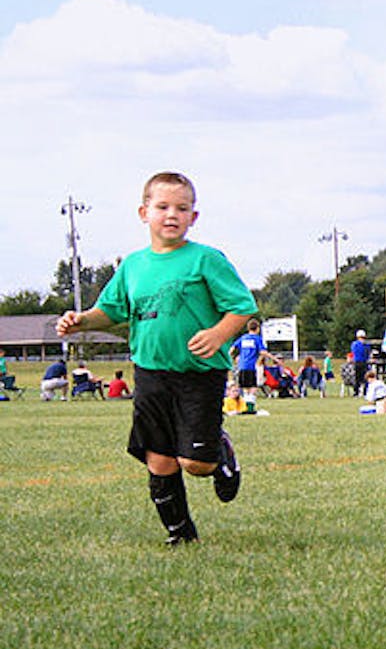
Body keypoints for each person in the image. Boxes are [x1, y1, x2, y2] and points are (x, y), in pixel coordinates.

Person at [55, 171, 256, 545]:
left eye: (182, 208)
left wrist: (218, 334)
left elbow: (242, 308)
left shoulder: (206, 260)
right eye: (162, 206)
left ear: (193, 217)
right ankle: (181, 535)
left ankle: (220, 449)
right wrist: (81, 321)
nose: (171, 214)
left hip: (199, 373)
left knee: (196, 464)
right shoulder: (133, 266)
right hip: (150, 372)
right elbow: (111, 310)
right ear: (143, 212)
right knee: (159, 459)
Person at [231, 318, 265, 412]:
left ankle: (244, 406)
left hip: (241, 366)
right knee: (253, 387)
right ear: (257, 328)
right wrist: (261, 360)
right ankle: (250, 408)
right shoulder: (257, 339)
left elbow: (233, 348)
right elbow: (262, 352)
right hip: (251, 366)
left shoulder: (243, 338)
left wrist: (231, 358)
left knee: (245, 387)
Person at [350, 330, 371, 396]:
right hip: (364, 362)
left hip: (357, 362)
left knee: (357, 377)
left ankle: (356, 391)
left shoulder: (354, 344)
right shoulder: (366, 344)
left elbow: (353, 352)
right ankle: (365, 391)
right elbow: (368, 353)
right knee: (365, 378)